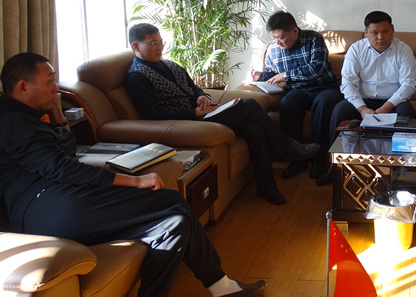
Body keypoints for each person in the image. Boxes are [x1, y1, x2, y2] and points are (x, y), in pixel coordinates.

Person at [0, 52, 265, 297]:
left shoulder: (26, 115)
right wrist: (135, 181)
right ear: (23, 86)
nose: (55, 88)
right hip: (45, 207)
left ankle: (221, 287)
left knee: (174, 224)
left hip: (58, 199)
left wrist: (56, 111)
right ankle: (221, 286)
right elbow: (62, 167)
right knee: (172, 202)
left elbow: (66, 150)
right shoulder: (13, 121)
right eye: (49, 81)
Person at [125, 23, 319, 205]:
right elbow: (152, 114)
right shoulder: (137, 76)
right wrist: (194, 112)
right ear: (136, 46)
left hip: (203, 113)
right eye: (153, 43)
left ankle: (267, 187)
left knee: (254, 129)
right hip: (188, 122)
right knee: (249, 104)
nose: (160, 47)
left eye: (161, 42)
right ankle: (286, 147)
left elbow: (194, 88)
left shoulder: (169, 64)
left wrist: (202, 97)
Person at [251, 11, 343, 182]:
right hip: (298, 90)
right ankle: (298, 158)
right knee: (287, 103)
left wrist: (286, 75)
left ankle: (319, 159)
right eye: (274, 38)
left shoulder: (314, 39)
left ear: (294, 31)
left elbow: (317, 68)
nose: (277, 42)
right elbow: (272, 72)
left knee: (324, 104)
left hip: (324, 87)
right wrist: (260, 76)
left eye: (281, 38)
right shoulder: (273, 48)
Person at [329, 10, 416, 150]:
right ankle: (336, 158)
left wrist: (386, 107)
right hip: (363, 101)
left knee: (407, 111)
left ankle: (405, 160)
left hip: (393, 102)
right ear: (366, 33)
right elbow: (348, 83)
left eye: (385, 31)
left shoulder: (403, 50)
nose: (380, 37)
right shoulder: (356, 49)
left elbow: (408, 84)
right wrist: (362, 108)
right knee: (340, 110)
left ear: (393, 29)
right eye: (374, 33)